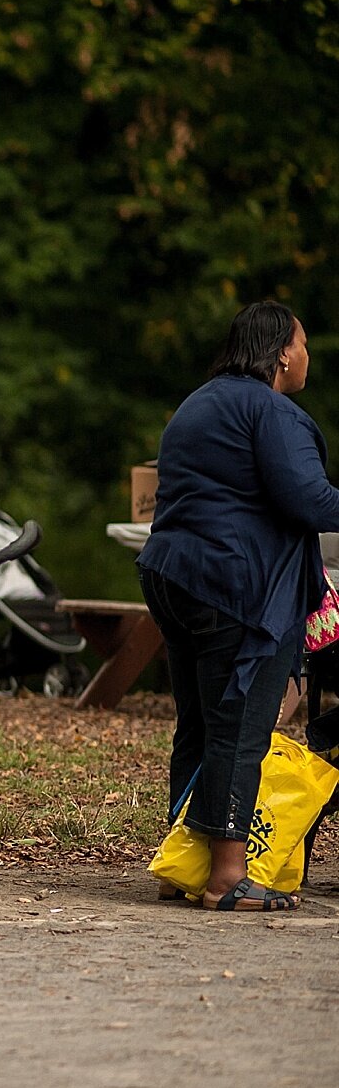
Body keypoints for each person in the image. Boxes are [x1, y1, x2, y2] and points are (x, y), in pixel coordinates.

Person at [137, 301, 339, 911]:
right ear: (281, 353)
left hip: (173, 576)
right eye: (302, 345)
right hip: (237, 587)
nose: (307, 356)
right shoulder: (273, 411)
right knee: (241, 727)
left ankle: (185, 866)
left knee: (197, 724)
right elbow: (309, 501)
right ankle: (227, 875)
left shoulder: (198, 403)